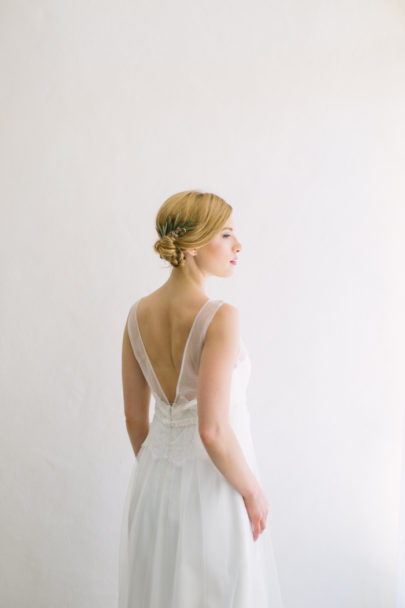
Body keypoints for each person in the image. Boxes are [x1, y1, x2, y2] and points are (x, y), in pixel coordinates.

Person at [118, 190, 284, 607]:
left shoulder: (136, 316)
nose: (238, 245)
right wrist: (252, 493)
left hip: (154, 487)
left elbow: (136, 421)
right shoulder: (220, 316)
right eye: (226, 234)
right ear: (192, 246)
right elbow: (212, 430)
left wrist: (164, 474)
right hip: (215, 487)